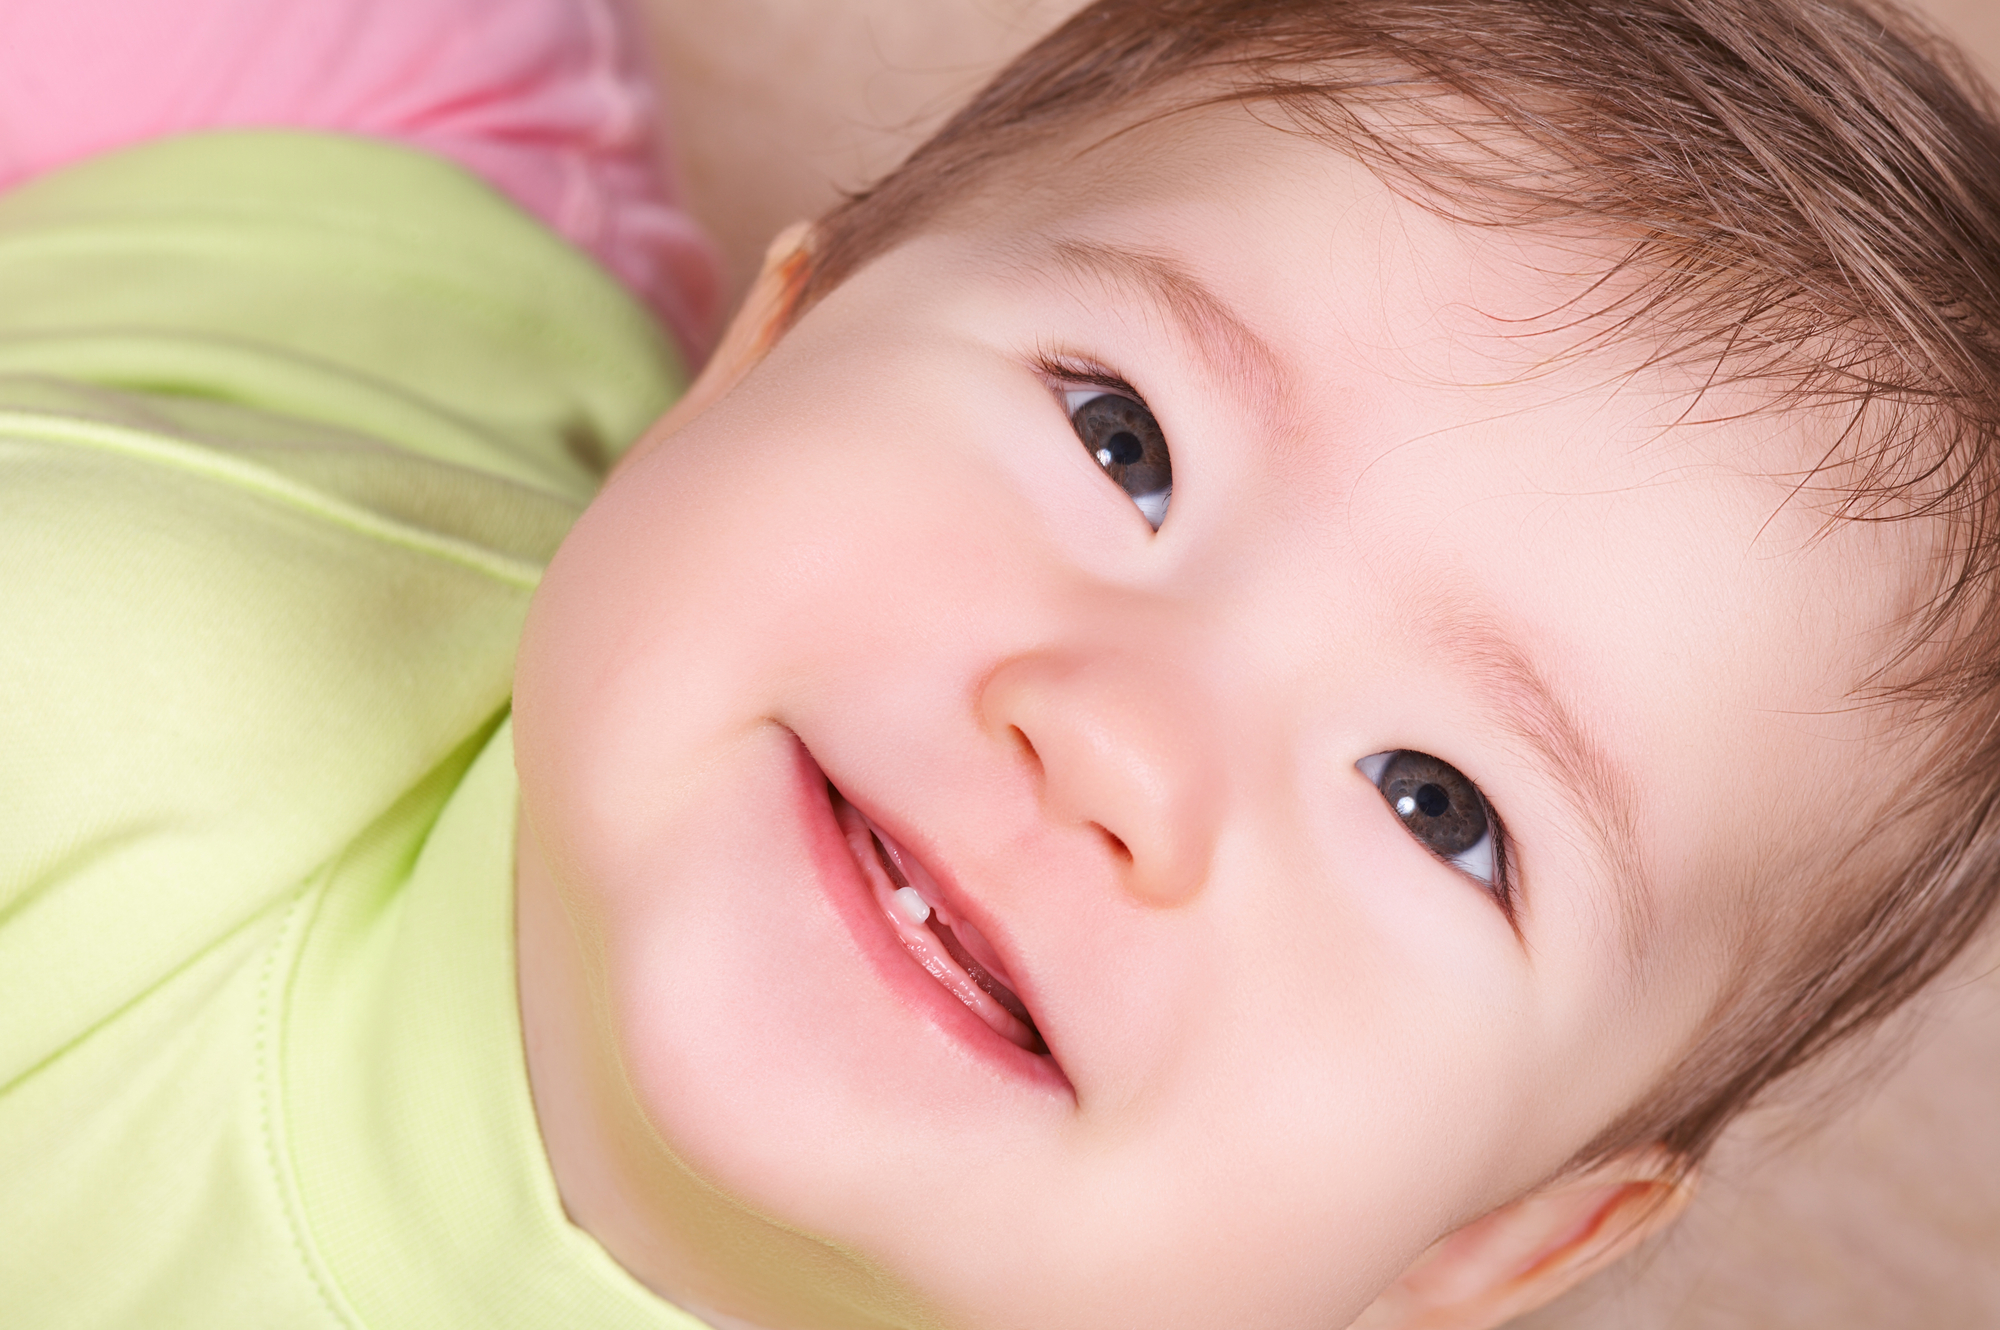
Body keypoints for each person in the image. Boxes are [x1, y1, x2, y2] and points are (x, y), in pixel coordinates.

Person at [5, 2, 2000, 1329]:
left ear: (1491, 1243)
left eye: (1439, 803)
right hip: (312, 173)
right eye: (1119, 435)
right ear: (771, 355)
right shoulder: (75, 677)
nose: (1123, 739)